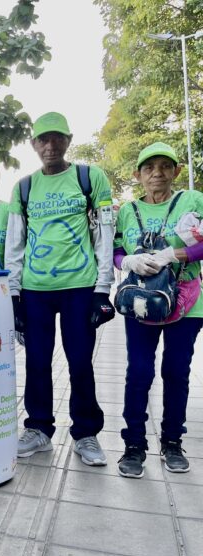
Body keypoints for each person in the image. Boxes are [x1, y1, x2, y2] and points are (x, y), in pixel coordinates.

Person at [5, 112, 115, 466]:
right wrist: (14, 293)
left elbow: (104, 233)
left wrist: (102, 289)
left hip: (79, 287)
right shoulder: (23, 187)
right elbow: (14, 243)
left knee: (80, 361)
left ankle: (86, 434)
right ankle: (38, 428)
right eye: (43, 140)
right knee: (37, 362)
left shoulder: (89, 178)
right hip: (36, 289)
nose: (50, 146)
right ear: (34, 144)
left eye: (57, 139)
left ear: (68, 139)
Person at [113, 142, 203, 478]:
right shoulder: (127, 210)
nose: (157, 174)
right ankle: (134, 445)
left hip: (186, 301)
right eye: (149, 168)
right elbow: (115, 250)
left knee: (176, 372)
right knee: (138, 372)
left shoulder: (193, 202)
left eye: (165, 166)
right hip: (140, 301)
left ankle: (172, 441)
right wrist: (128, 260)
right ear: (138, 175)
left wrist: (173, 256)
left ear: (176, 171)